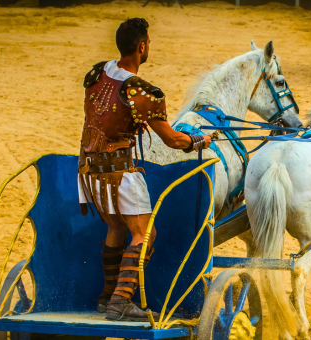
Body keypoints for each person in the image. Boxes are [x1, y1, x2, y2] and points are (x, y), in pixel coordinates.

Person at [77, 18, 211, 322]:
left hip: (88, 171)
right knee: (143, 235)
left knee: (116, 226)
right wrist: (198, 141)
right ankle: (121, 302)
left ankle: (106, 298)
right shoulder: (139, 89)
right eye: (148, 42)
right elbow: (172, 139)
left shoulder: (98, 73)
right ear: (142, 47)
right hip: (119, 173)